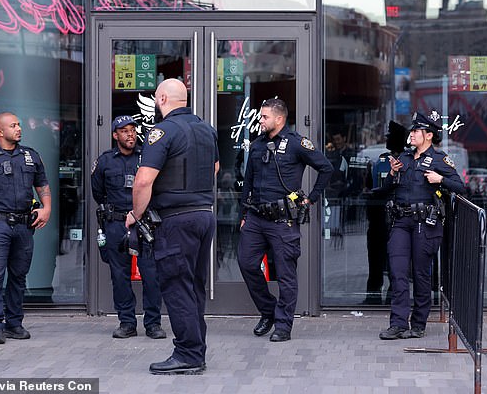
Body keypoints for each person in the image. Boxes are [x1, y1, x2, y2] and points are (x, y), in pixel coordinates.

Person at [125, 78, 219, 375]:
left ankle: (188, 354)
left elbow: (143, 180)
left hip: (177, 219)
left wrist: (136, 214)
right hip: (204, 214)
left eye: (156, 99)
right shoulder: (206, 129)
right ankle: (196, 347)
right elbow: (215, 168)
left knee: (177, 286)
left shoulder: (162, 131)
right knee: (193, 285)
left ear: (163, 99)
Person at [238, 98, 333, 342]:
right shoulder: (258, 145)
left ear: (279, 119)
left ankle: (283, 325)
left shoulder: (296, 143)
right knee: (247, 263)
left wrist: (310, 199)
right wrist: (243, 214)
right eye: (261, 116)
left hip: (283, 221)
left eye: (264, 117)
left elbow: (326, 168)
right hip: (256, 218)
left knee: (285, 274)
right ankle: (268, 311)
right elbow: (248, 181)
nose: (260, 120)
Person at [0, 112, 51, 344]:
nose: (19, 128)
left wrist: (46, 208)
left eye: (19, 124)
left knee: (18, 276)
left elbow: (42, 184)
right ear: (0, 131)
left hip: (24, 225)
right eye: (13, 125)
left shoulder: (31, 157)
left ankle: (14, 323)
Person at [379, 111, 465, 340]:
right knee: (397, 273)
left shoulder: (439, 159)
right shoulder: (404, 158)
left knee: (420, 275)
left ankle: (418, 323)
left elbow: (461, 186)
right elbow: (386, 188)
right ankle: (398, 323)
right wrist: (392, 173)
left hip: (424, 224)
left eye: (416, 131)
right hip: (401, 222)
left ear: (428, 135)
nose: (412, 134)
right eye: (413, 130)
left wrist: (440, 180)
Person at [91, 115, 165, 339]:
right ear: (115, 135)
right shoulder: (104, 161)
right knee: (119, 275)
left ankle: (153, 324)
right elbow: (98, 192)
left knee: (151, 275)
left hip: (144, 224)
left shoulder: (146, 157)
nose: (130, 134)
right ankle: (127, 323)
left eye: (132, 130)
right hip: (116, 223)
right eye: (124, 131)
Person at [363, 121, 407, 305]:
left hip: (397, 216)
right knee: (375, 258)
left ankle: (392, 297)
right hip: (377, 216)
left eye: (390, 136)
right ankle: (372, 296)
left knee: (395, 261)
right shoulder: (381, 160)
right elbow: (369, 186)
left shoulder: (408, 160)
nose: (386, 139)